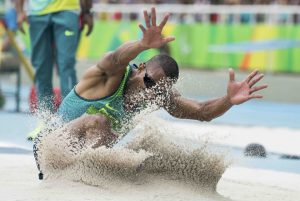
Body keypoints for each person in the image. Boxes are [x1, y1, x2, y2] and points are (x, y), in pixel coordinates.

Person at [56, 7, 268, 148]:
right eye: (149, 82)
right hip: (53, 146)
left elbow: (202, 112)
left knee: (152, 153)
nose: (150, 93)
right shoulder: (110, 77)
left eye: (158, 91)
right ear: (139, 69)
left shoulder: (159, 96)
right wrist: (141, 45)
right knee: (98, 121)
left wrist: (228, 100)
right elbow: (114, 58)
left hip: (85, 158)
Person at [15, 0, 94, 112]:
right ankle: (45, 116)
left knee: (66, 64)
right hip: (37, 14)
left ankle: (70, 115)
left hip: (67, 11)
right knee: (41, 67)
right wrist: (19, 11)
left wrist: (87, 12)